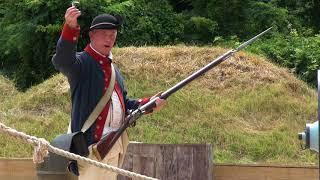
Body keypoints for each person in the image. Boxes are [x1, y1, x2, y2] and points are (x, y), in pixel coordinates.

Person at [52, 5, 165, 180]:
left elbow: (125, 105)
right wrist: (70, 28)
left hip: (113, 146)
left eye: (112, 35)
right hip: (92, 149)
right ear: (91, 35)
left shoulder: (114, 72)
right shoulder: (82, 64)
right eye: (104, 33)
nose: (109, 38)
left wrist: (149, 103)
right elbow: (62, 60)